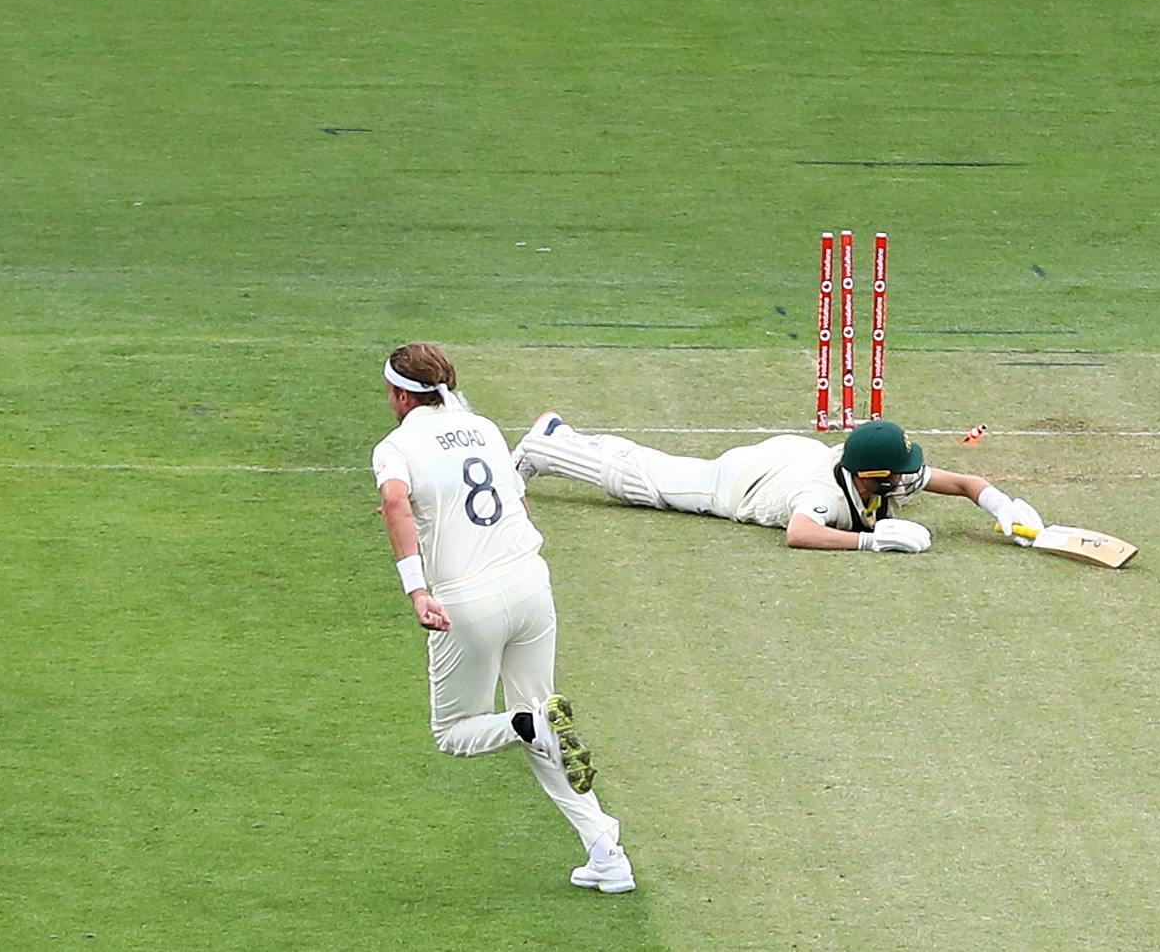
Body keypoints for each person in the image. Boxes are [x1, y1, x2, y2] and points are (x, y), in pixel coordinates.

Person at [372, 343, 637, 894]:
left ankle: (527, 725)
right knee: (545, 722)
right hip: (529, 583)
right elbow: (517, 498)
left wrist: (416, 590)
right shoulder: (485, 427)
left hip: (466, 601)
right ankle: (606, 851)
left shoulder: (395, 446)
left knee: (457, 731)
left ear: (400, 395)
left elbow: (395, 504)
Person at [514, 415, 1044, 554]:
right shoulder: (823, 495)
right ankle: (542, 446)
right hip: (735, 485)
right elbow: (800, 532)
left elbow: (966, 481)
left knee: (651, 461)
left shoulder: (881, 475)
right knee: (643, 480)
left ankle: (561, 434)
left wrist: (1003, 507)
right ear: (872, 476)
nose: (912, 481)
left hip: (787, 456)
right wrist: (871, 540)